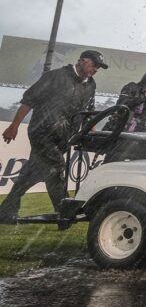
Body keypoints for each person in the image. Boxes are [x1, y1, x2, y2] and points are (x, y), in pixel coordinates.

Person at [0, 50, 107, 222]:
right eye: (94, 65)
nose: (95, 69)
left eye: (98, 67)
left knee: (31, 174)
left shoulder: (91, 85)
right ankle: (64, 210)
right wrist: (14, 126)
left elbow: (89, 112)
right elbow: (29, 100)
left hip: (64, 137)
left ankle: (5, 211)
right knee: (56, 166)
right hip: (42, 132)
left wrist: (93, 133)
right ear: (82, 60)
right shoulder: (55, 76)